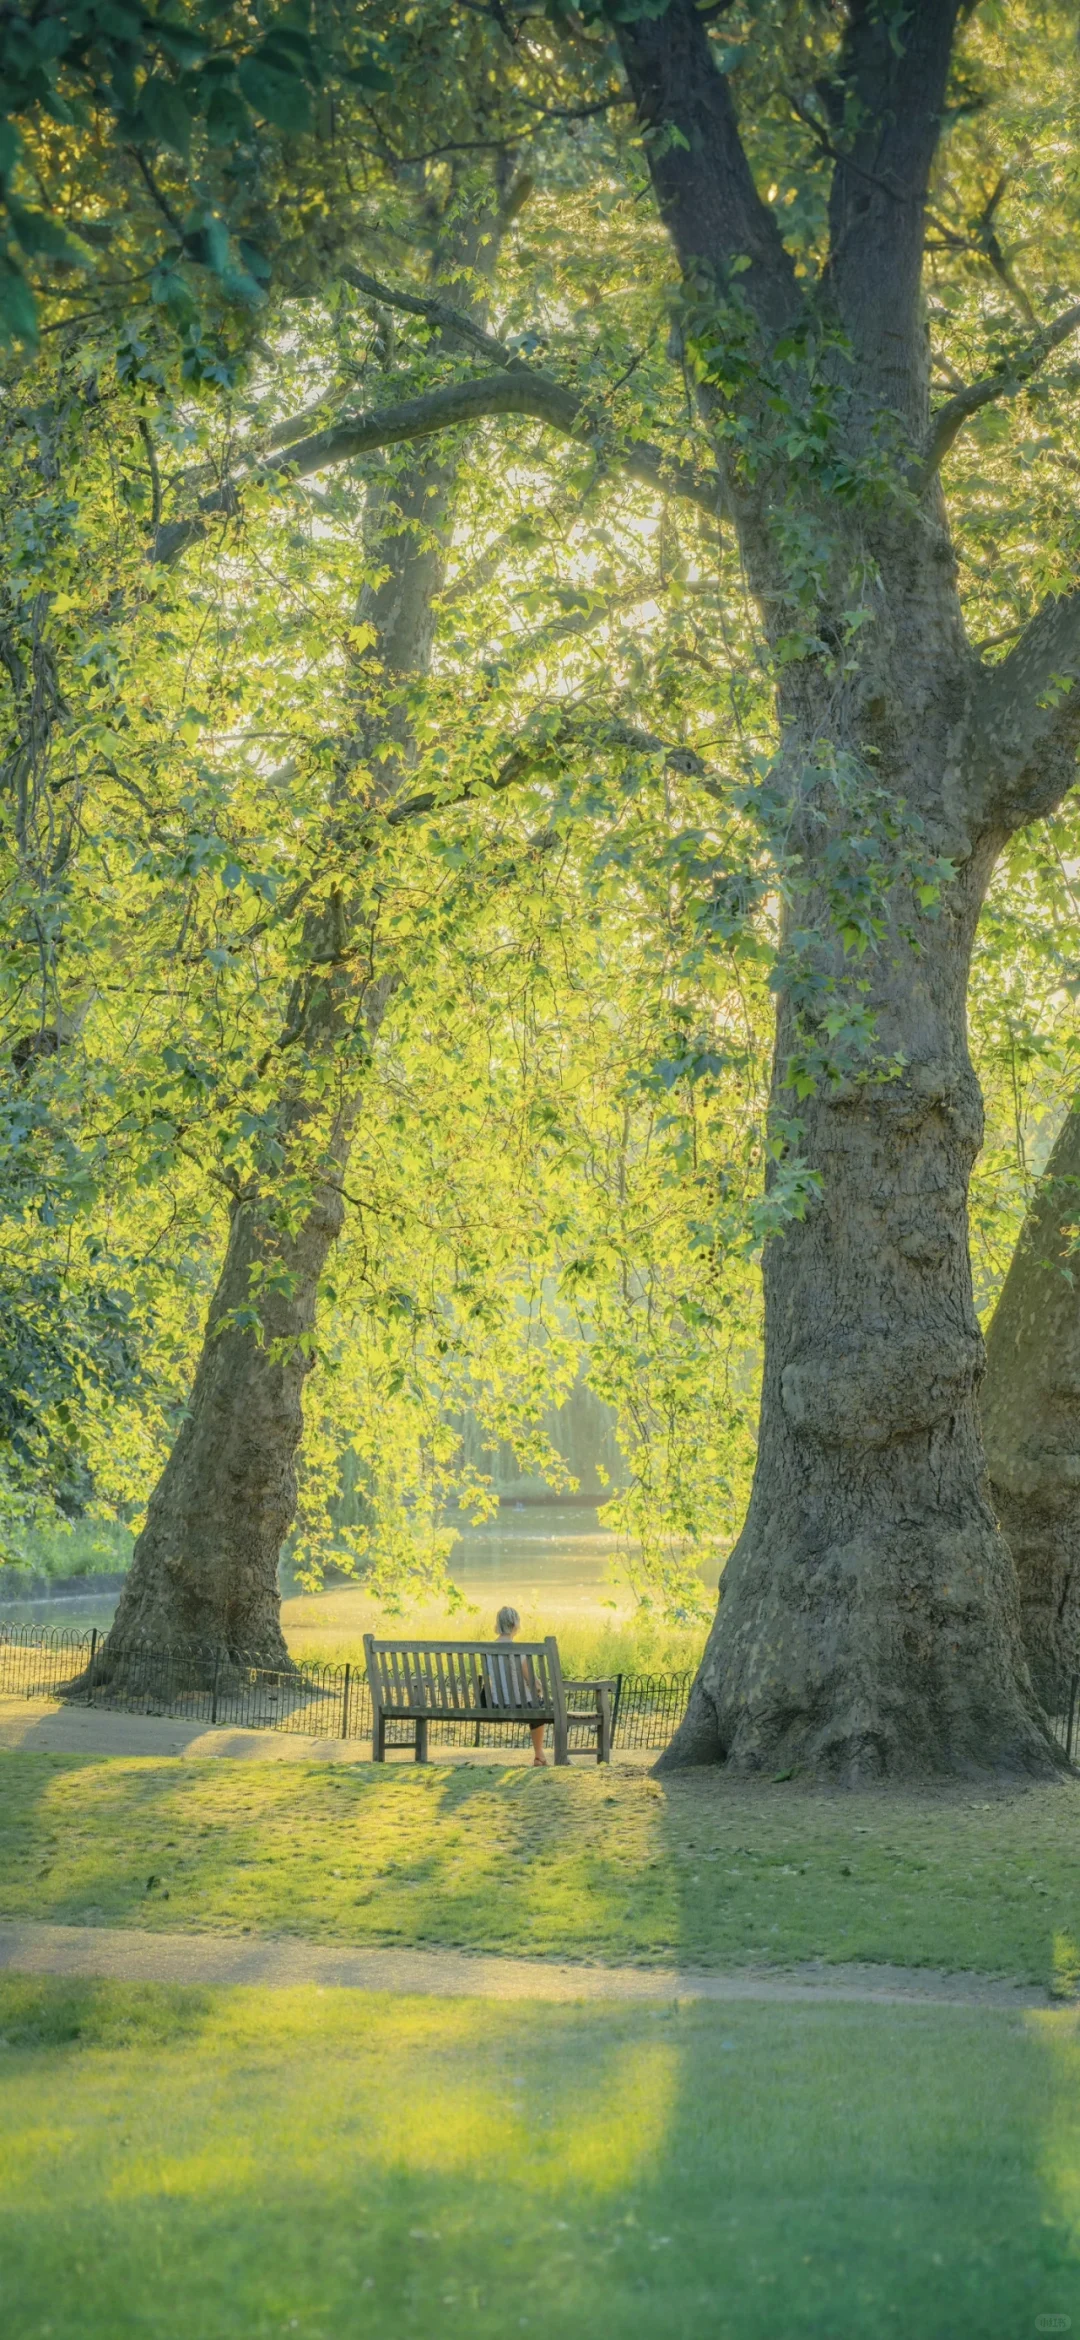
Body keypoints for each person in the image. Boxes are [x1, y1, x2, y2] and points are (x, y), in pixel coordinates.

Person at [495, 1605, 547, 1766]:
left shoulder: (487, 1650)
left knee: (536, 1704)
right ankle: (539, 1755)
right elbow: (531, 1681)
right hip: (519, 1703)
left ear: (498, 1624)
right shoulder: (518, 1650)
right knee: (541, 1706)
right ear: (515, 1624)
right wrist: (541, 1689)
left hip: (497, 1703)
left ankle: (540, 1756)